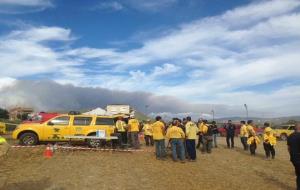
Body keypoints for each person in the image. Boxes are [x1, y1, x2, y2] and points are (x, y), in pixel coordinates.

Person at [287, 123, 300, 190]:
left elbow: (289, 148)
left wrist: (292, 155)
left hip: (293, 159)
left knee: (298, 174)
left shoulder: (290, 136)